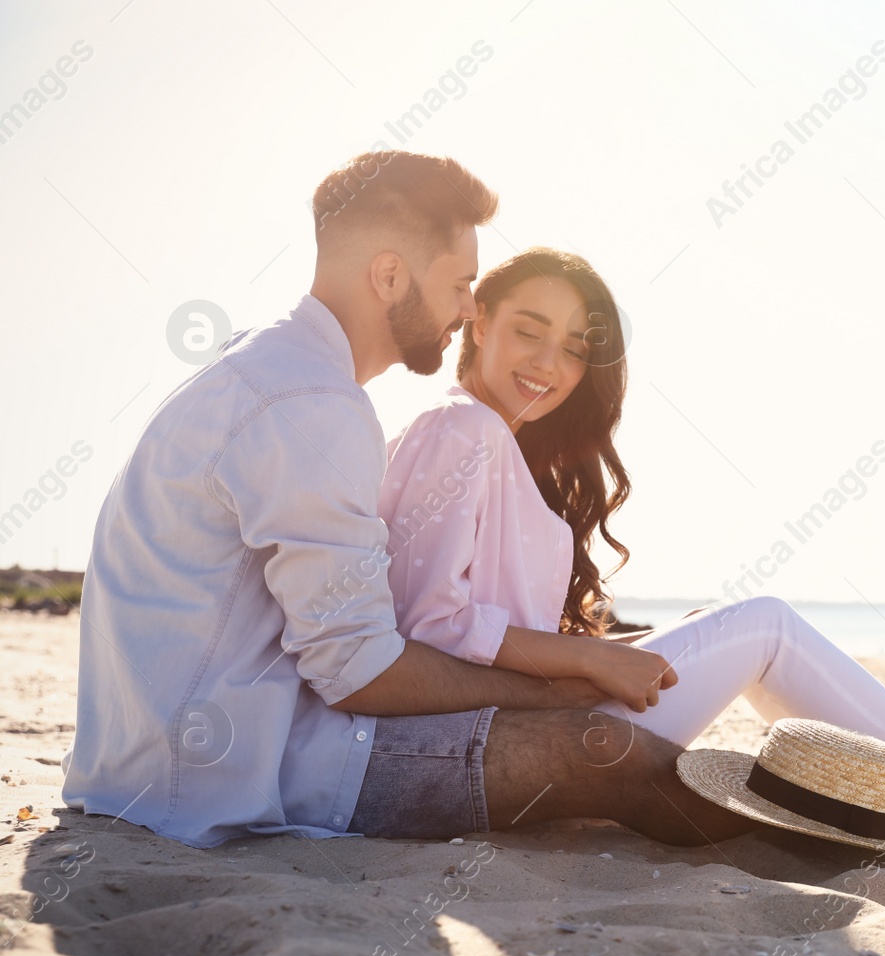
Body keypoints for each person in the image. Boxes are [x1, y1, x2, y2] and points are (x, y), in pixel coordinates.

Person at [63, 151, 776, 849]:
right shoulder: (315, 407)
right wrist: (560, 688)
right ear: (390, 274)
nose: (470, 307)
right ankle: (854, 826)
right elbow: (358, 673)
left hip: (136, 767)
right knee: (604, 749)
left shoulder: (260, 367)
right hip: (225, 779)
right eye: (462, 282)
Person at [369, 246, 885, 842]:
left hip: (525, 708)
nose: (549, 362)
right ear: (480, 319)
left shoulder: (488, 440)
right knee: (764, 625)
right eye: (529, 330)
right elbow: (426, 625)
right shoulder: (461, 429)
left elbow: (476, 616)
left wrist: (607, 648)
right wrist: (589, 655)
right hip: (507, 733)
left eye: (576, 349)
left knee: (725, 623)